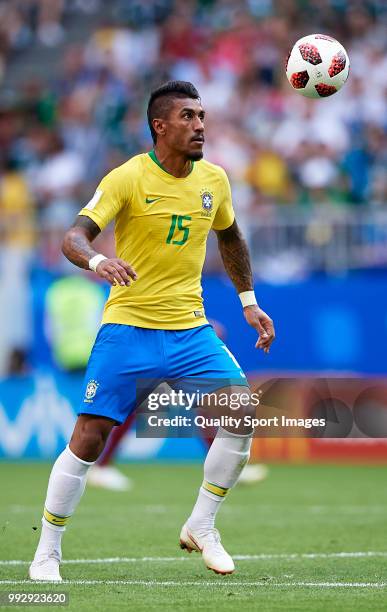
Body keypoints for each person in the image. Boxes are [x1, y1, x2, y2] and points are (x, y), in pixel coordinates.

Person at [29, 80, 275, 581]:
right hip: (128, 330)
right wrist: (99, 260)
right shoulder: (127, 177)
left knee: (242, 416)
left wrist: (249, 302)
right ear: (159, 126)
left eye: (202, 116)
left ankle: (202, 525)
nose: (199, 125)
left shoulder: (215, 180)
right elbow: (74, 236)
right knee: (89, 438)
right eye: (187, 116)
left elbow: (230, 238)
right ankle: (46, 552)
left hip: (190, 330)